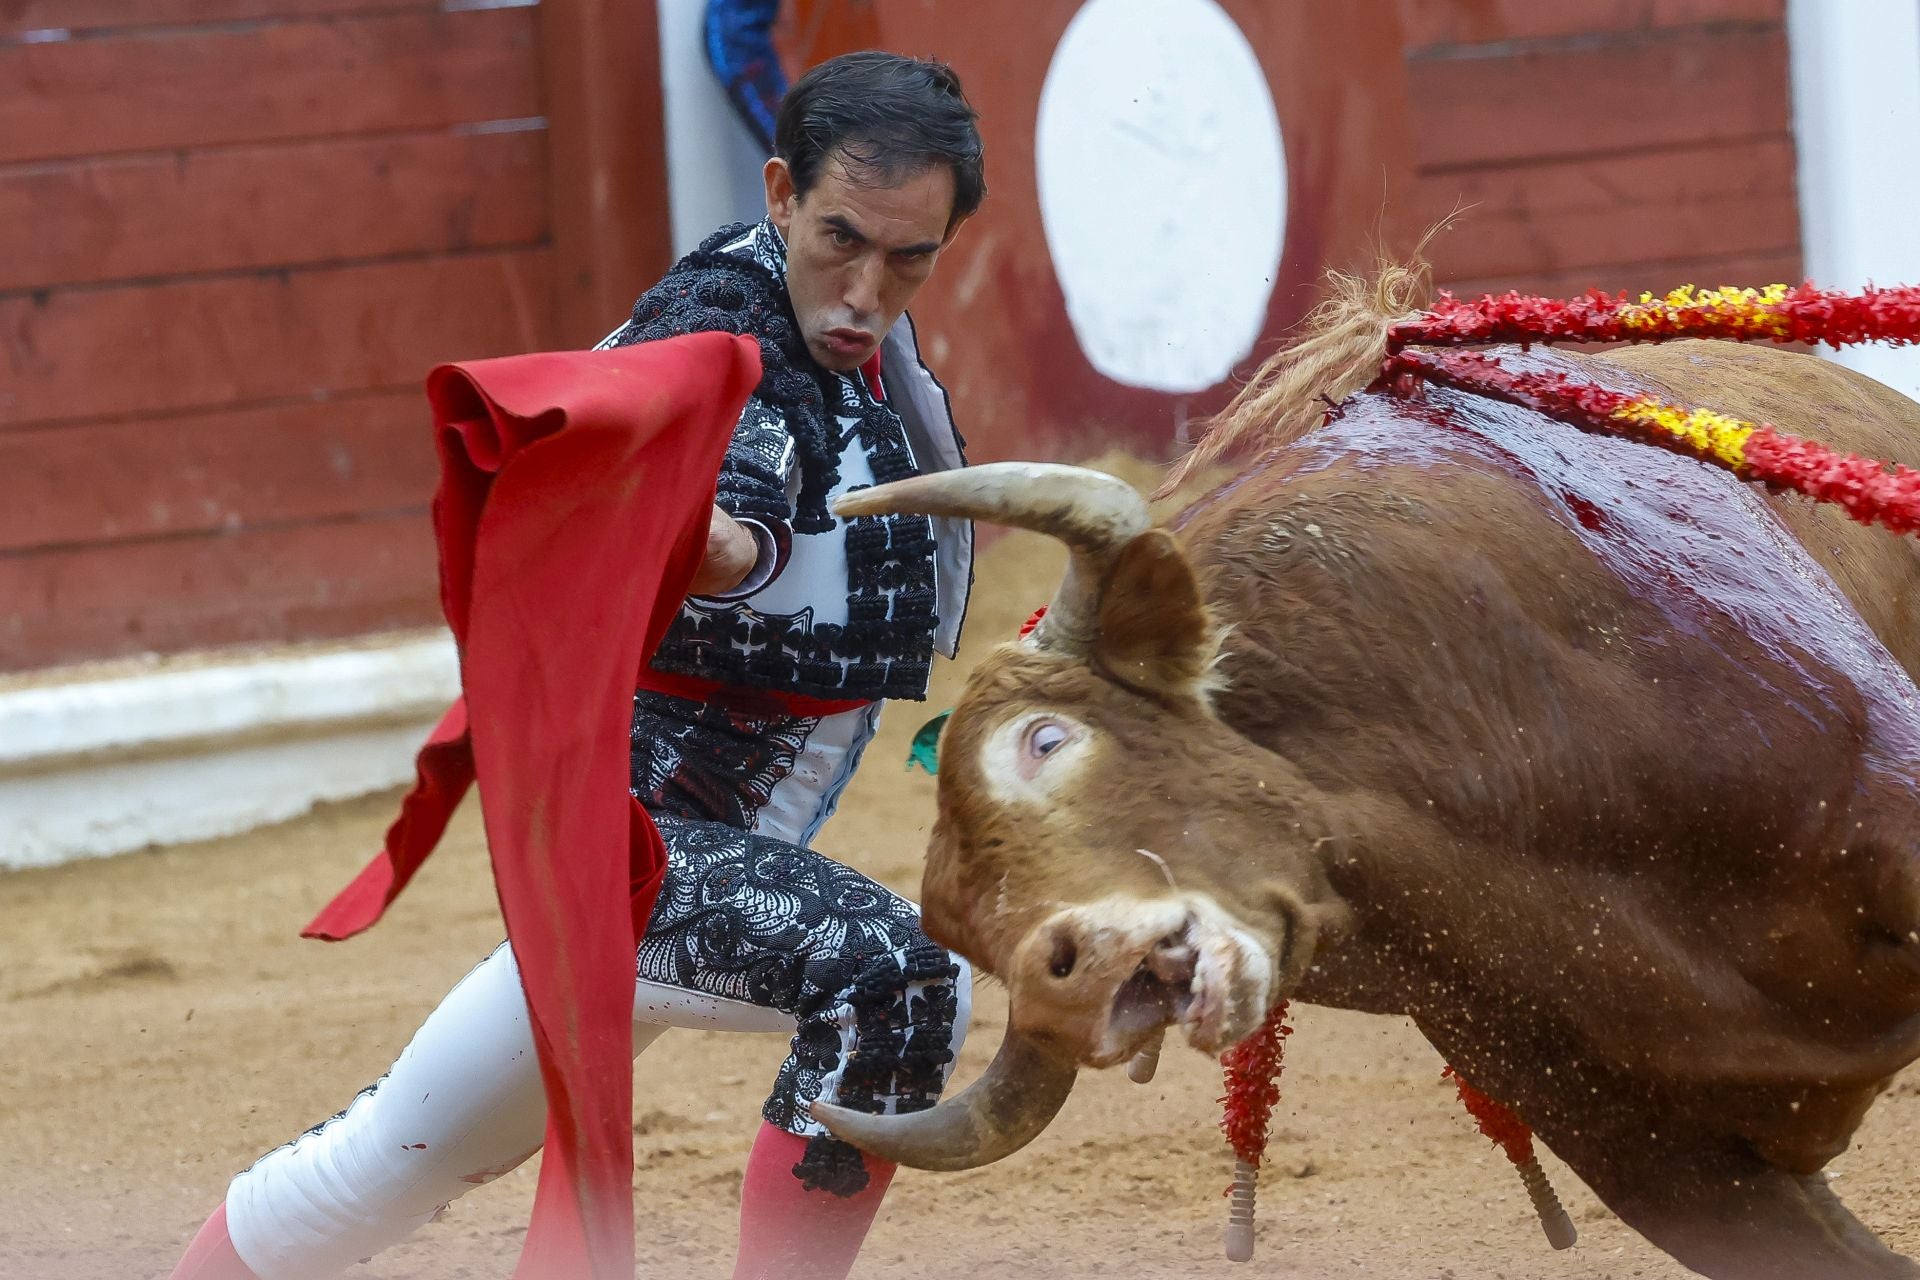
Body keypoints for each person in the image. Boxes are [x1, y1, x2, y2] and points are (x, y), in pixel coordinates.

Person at [168, 50, 986, 1280]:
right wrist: (694, 527)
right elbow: (732, 486)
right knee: (902, 979)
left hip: (678, 868)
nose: (866, 290)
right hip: (631, 855)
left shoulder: (860, 344)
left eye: (908, 257)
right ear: (778, 194)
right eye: (842, 239)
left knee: (394, 1153)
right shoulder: (724, 325)